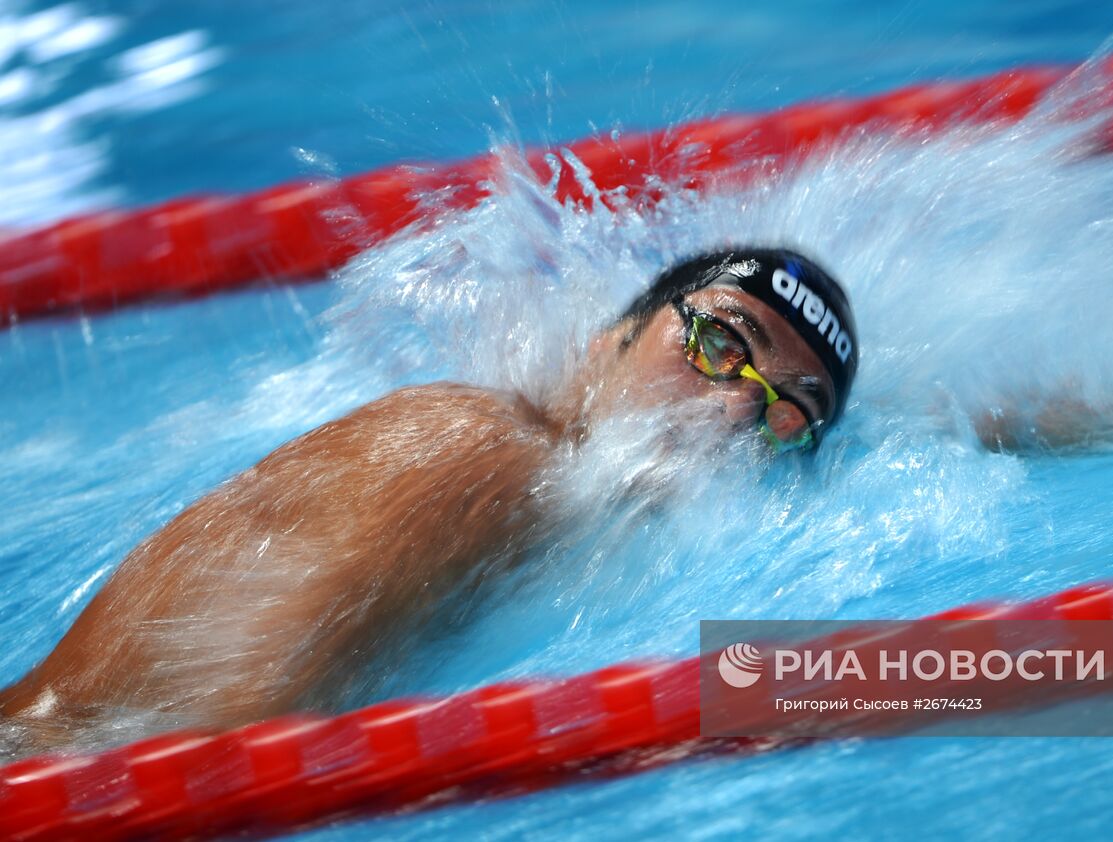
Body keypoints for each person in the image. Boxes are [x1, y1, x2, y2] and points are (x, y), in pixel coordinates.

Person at [0, 247, 860, 751]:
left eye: (790, 411)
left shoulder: (558, 492)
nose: (739, 407)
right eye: (718, 342)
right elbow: (229, 744)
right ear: (609, 341)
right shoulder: (491, 453)